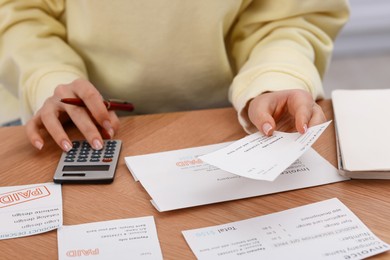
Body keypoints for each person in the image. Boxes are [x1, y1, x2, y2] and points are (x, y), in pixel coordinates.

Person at [0, 0, 349, 151]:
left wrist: (276, 76)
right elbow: (18, 12)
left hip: (231, 116)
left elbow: (292, 15)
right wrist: (47, 77)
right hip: (65, 113)